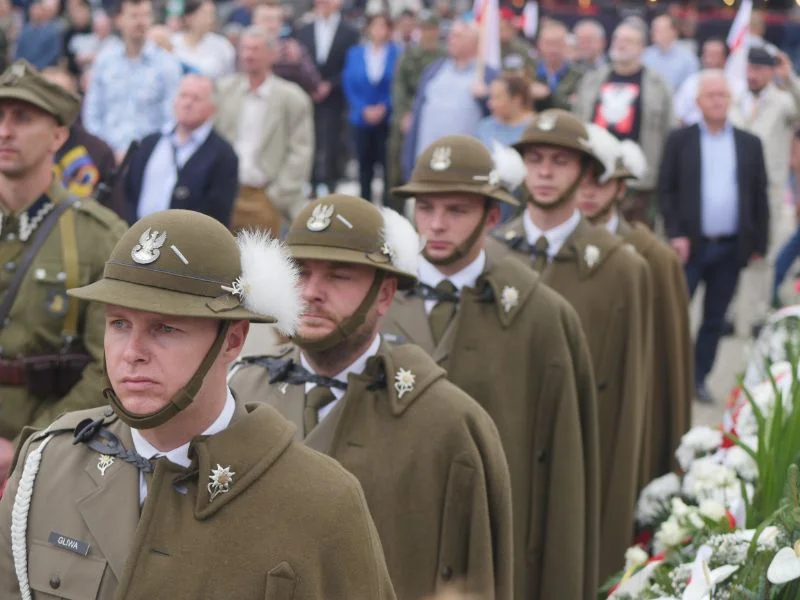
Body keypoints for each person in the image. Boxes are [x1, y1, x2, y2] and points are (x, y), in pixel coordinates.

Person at [0, 208, 398, 598]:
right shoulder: (48, 465)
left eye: (166, 327)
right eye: (119, 323)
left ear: (233, 341)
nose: (133, 352)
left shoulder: (322, 501)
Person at [229, 194, 513, 600]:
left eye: (338, 276)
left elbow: (472, 578)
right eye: (300, 272)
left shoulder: (448, 424)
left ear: (384, 295)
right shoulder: (240, 392)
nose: (311, 292)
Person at [386, 135, 600, 600]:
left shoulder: (540, 315)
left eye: (457, 211)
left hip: (498, 548)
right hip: (393, 548)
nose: (436, 226)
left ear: (492, 216)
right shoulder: (375, 303)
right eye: (425, 209)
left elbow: (563, 466)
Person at [494, 109, 650, 582]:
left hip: (577, 465)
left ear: (585, 172)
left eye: (560, 161)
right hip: (504, 463)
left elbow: (628, 399)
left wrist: (613, 513)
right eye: (535, 159)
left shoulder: (620, 268)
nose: (544, 172)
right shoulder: (492, 254)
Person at [0, 60, 127, 476]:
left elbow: (107, 364)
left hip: (49, 453)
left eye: (22, 118)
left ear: (58, 134)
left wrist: (30, 443)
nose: (4, 130)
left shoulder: (98, 236)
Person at [576, 131, 692, 481]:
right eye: (580, 180)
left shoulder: (652, 258)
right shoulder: (542, 252)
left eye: (601, 181)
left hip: (624, 416)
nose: (588, 191)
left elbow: (667, 362)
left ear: (621, 188)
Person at [659, 71, 769, 404]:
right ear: (698, 102)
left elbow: (759, 195)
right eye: (711, 95)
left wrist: (758, 243)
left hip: (731, 247)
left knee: (714, 319)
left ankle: (698, 377)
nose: (718, 101)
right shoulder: (680, 140)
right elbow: (666, 191)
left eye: (723, 95)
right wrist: (675, 234)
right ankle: (668, 378)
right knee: (676, 315)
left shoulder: (749, 143)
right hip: (690, 246)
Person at [573, 18, 673, 228]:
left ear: (642, 47)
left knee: (634, 240)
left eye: (629, 40)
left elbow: (667, 132)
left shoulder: (658, 85)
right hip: (595, 174)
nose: (620, 43)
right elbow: (578, 123)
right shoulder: (592, 80)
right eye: (617, 38)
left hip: (638, 181)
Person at [216, 26, 314, 234]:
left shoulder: (292, 97)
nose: (248, 55)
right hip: (227, 192)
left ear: (271, 54)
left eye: (255, 49)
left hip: (266, 194)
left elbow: (301, 150)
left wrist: (279, 193)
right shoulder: (224, 90)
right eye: (245, 49)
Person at [126, 73, 238, 225]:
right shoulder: (149, 143)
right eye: (183, 95)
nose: (187, 103)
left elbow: (217, 216)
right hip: (136, 238)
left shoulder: (223, 156)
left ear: (212, 108)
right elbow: (128, 194)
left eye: (196, 98)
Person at [83, 0, 182, 159]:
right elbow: (92, 113)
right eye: (134, 16)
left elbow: (171, 119)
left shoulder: (167, 64)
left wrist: (147, 154)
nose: (140, 22)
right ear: (119, 20)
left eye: (145, 15)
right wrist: (106, 151)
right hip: (106, 157)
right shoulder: (104, 61)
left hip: (151, 157)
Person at [402, 20, 495, 181]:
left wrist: (485, 97)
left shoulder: (486, 75)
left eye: (458, 36)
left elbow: (496, 117)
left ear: (474, 42)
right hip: (426, 163)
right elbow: (418, 115)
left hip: (464, 168)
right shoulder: (434, 70)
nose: (451, 39)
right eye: (451, 35)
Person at [295, 0, 360, 196]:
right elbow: (299, 63)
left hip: (335, 95)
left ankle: (332, 180)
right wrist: (312, 86)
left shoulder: (349, 32)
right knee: (309, 138)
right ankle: (312, 181)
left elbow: (350, 66)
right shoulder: (304, 30)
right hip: (308, 95)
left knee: (333, 138)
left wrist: (329, 85)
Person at [41, 67, 123, 217]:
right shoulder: (20, 147)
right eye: (46, 95)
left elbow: (115, 214)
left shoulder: (98, 150)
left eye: (61, 94)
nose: (53, 103)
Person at [386, 10, 443, 207]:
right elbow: (399, 86)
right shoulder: (409, 54)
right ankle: (395, 211)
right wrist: (404, 114)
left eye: (431, 28)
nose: (427, 33)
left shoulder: (443, 56)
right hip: (407, 116)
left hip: (432, 117)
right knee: (396, 169)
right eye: (424, 28)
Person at [342, 11, 398, 204]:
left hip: (386, 118)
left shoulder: (396, 52)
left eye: (383, 26)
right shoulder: (356, 53)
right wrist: (362, 108)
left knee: (387, 166)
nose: (379, 30)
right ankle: (364, 206)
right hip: (361, 118)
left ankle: (387, 208)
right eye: (375, 25)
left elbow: (397, 85)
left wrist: (384, 107)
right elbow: (349, 83)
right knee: (364, 167)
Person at [252, 0, 322, 95]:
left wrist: (298, 63)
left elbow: (315, 85)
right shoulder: (244, 50)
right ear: (254, 21)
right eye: (266, 19)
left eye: (275, 20)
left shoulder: (292, 49)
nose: (271, 25)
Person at [171, 0, 235, 80]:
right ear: (189, 17)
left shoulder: (223, 45)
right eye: (205, 14)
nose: (211, 19)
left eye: (212, 14)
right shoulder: (172, 43)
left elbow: (229, 79)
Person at [530, 19, 586, 112]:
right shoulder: (529, 72)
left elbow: (579, 107)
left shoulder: (580, 75)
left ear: (566, 45)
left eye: (557, 43)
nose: (553, 49)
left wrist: (547, 94)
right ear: (539, 45)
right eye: (548, 44)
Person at [673, 38, 730, 126]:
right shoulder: (690, 82)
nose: (709, 59)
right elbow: (678, 114)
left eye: (714, 55)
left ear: (724, 59)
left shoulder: (735, 84)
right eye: (706, 54)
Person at [641, 14, 699, 92]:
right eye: (653, 29)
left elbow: (691, 89)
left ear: (673, 32)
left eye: (657, 29)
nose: (652, 32)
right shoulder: (645, 54)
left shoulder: (688, 59)